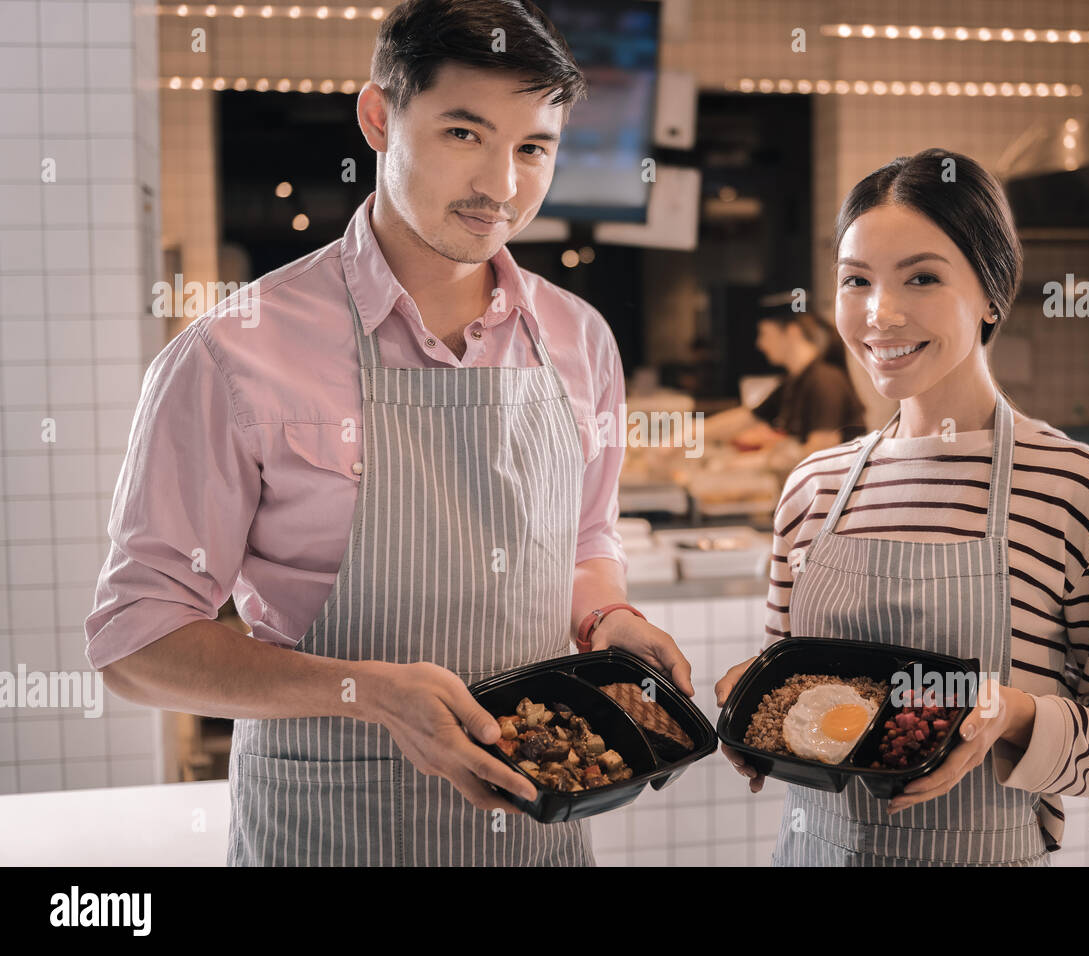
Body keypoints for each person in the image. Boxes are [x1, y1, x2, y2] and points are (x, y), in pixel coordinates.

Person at [85, 0, 692, 867]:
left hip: (532, 831)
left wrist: (606, 618)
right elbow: (136, 645)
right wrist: (364, 691)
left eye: (533, 148)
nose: (502, 185)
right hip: (326, 826)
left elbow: (585, 539)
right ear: (379, 117)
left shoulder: (579, 339)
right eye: (463, 134)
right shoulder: (232, 354)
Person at [715, 149, 1089, 866]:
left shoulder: (1081, 492)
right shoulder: (814, 488)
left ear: (992, 295)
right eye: (856, 281)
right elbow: (787, 677)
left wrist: (1014, 714)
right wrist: (756, 721)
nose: (880, 313)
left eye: (922, 277)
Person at [705, 297, 866, 460]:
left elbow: (821, 451)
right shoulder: (794, 381)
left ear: (792, 331)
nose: (759, 344)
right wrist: (691, 435)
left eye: (764, 334)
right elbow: (746, 418)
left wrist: (755, 462)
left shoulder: (825, 380)